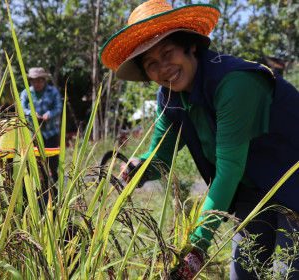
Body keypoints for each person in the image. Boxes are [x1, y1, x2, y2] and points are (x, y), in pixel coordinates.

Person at [100, 1, 299, 279]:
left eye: (168, 53)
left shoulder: (233, 83)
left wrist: (195, 248)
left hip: (292, 180)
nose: (164, 68)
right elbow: (160, 157)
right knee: (244, 273)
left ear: (190, 46)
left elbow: (228, 170)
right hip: (254, 190)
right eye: (152, 64)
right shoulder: (169, 96)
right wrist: (139, 167)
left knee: (288, 272)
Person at [20, 67, 62, 184]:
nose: (36, 84)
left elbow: (58, 107)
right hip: (33, 133)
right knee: (34, 160)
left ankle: (54, 179)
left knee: (53, 159)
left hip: (50, 132)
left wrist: (49, 114)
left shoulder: (53, 92)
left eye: (39, 81)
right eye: (34, 81)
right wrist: (31, 114)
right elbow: (21, 108)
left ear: (44, 80)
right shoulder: (26, 93)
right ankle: (39, 183)